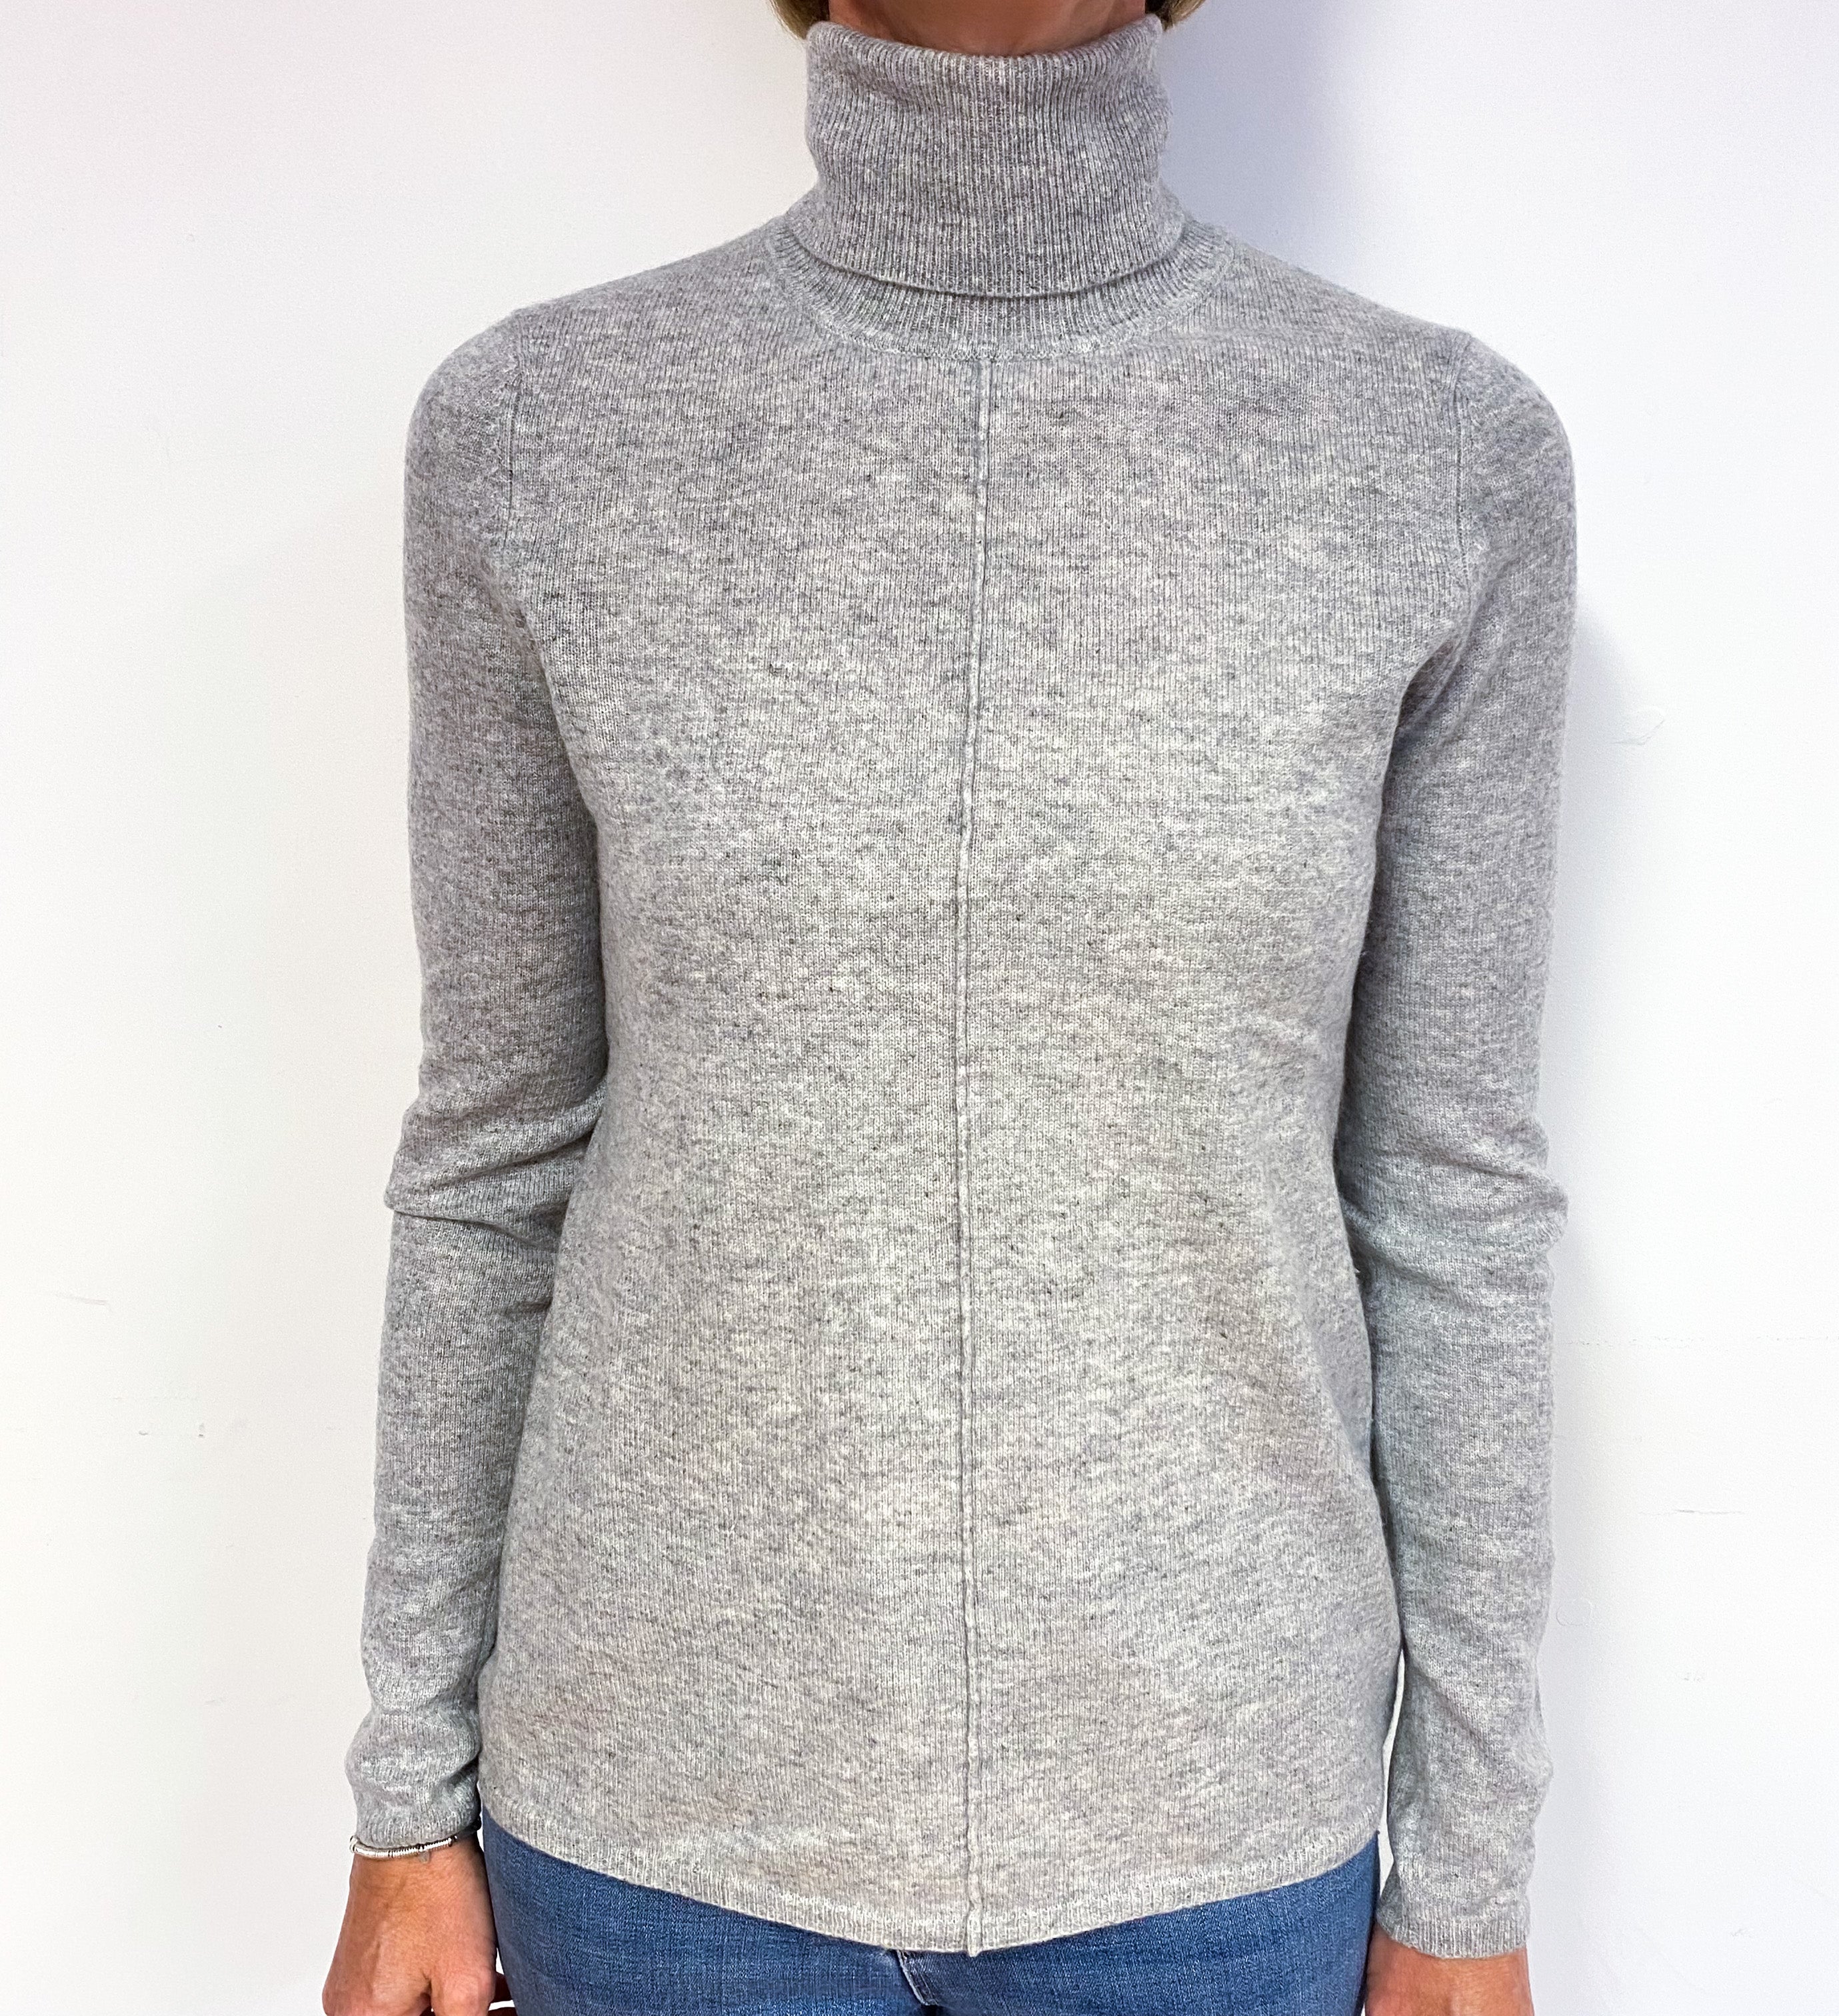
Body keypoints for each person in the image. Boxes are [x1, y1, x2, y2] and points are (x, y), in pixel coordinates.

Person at [322, 0, 1577, 2010]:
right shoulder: (546, 430)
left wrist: (1469, 1879)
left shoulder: (1425, 450)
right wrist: (408, 1803)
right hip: (656, 1832)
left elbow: (1452, 1203)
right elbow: (492, 1161)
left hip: (1214, 1836)